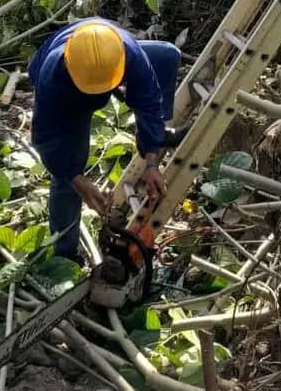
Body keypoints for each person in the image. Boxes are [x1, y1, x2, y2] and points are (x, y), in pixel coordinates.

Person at [28, 19, 189, 262]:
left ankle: (156, 135)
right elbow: (45, 136)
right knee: (65, 177)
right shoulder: (53, 75)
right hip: (67, 92)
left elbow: (148, 101)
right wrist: (76, 179)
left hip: (109, 61)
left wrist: (153, 161)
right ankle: (66, 255)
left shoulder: (129, 54)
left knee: (166, 56)